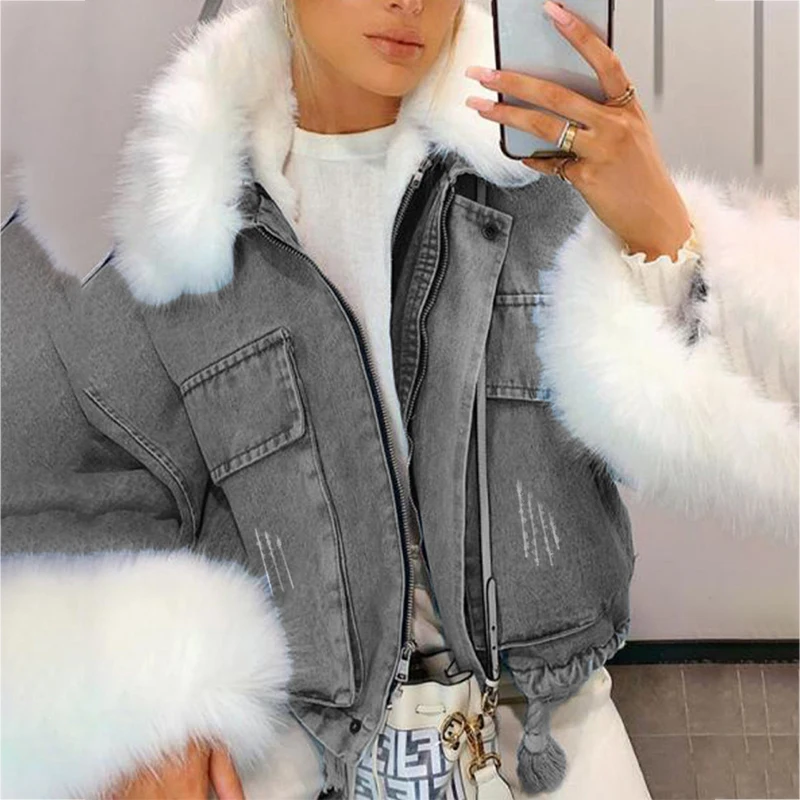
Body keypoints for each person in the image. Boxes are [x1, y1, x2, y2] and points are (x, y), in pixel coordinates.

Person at [1, 0, 796, 797]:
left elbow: (747, 439)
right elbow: (87, 486)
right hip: (303, 752)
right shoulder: (189, 228)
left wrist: (659, 229)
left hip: (545, 739)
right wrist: (148, 707)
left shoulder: (537, 181)